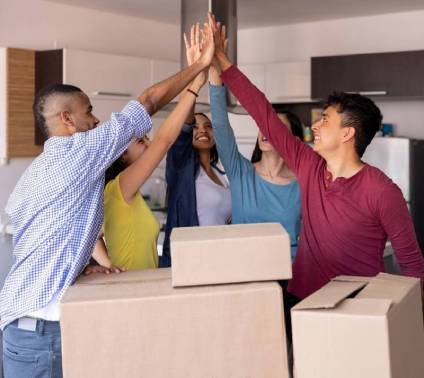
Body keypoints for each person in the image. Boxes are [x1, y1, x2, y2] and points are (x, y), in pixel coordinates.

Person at [0, 21, 215, 377]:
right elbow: (147, 102)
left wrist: (76, 264)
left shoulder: (36, 172)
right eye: (88, 112)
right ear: (67, 119)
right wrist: (199, 66)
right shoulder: (79, 152)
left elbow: (41, 237)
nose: (97, 119)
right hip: (45, 333)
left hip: (26, 327)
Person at [208, 13, 424, 304]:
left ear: (347, 134)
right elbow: (264, 113)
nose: (315, 126)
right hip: (303, 301)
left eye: (325, 120)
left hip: (357, 306)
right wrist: (222, 61)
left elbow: (411, 264)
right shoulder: (309, 166)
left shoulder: (382, 191)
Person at [90, 24, 210, 272]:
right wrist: (196, 83)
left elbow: (89, 236)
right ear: (122, 154)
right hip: (129, 290)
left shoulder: (116, 192)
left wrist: (108, 264)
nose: (149, 143)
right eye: (141, 141)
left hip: (136, 286)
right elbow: (164, 140)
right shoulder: (119, 187)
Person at [209, 48, 302, 262]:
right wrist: (215, 71)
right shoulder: (242, 173)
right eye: (263, 126)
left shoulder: (301, 184)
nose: (266, 131)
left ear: (293, 139)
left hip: (290, 277)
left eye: (276, 128)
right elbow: (221, 128)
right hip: (244, 270)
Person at [160, 24, 231, 268]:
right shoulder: (181, 169)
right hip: (189, 261)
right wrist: (195, 74)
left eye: (208, 127)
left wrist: (216, 65)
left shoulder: (223, 175)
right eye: (196, 127)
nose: (202, 130)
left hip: (220, 259)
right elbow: (182, 129)